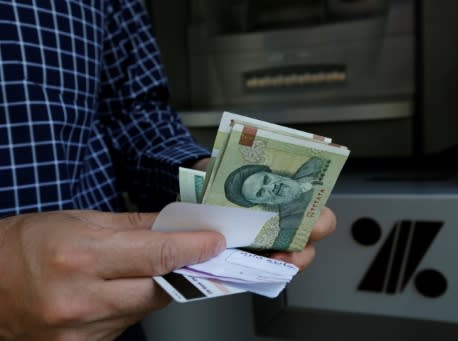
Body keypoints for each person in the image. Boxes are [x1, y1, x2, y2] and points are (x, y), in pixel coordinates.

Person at [0, 1, 336, 340]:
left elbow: (135, 113)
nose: (270, 191)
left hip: (109, 319)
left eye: (261, 184)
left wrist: (205, 179)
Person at [224, 157, 324, 249]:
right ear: (264, 203)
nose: (272, 187)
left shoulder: (315, 164)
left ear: (273, 174)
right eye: (261, 193)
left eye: (266, 179)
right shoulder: (289, 224)